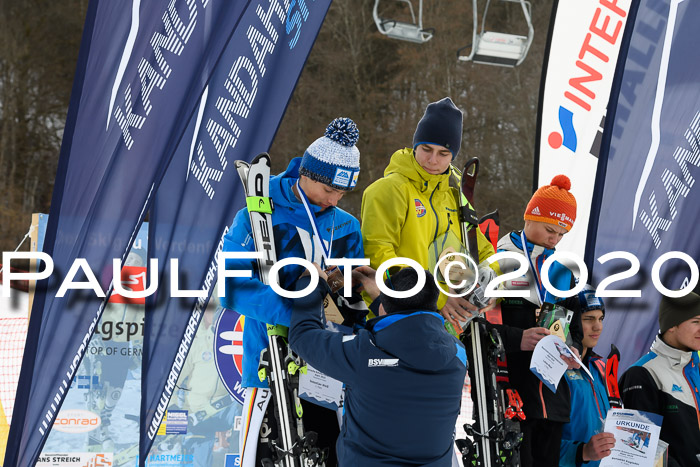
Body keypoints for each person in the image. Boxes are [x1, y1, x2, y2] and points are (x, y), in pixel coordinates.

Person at [221, 117, 366, 467]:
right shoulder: (256, 213)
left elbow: (355, 298)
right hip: (269, 358)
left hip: (326, 363)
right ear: (308, 175)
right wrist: (298, 314)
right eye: (330, 190)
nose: (335, 199)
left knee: (328, 455)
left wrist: (344, 297)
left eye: (343, 192)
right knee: (270, 456)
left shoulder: (346, 226)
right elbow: (234, 286)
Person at [289, 266, 467, 466]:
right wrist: (382, 301)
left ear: (384, 308)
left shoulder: (362, 353)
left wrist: (311, 282)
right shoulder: (458, 354)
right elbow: (412, 335)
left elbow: (302, 336)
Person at [361, 97, 498, 328]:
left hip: (445, 326)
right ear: (415, 145)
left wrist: (490, 282)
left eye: (443, 153)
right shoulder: (389, 189)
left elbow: (482, 251)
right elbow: (378, 254)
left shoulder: (455, 196)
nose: (432, 160)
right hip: (397, 317)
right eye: (426, 149)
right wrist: (435, 297)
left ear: (453, 155)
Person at [490, 175, 583, 467]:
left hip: (553, 401)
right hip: (513, 396)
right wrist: (519, 338)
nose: (554, 239)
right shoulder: (500, 261)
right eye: (549, 230)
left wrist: (574, 349)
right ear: (530, 217)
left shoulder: (564, 270)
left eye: (561, 234)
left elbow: (576, 329)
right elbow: (476, 328)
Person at [619, 285, 700, 466]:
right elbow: (640, 448)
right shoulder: (641, 373)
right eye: (696, 322)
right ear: (671, 325)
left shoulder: (695, 367)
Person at [559, 284, 616, 467]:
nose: (597, 326)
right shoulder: (556, 369)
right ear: (571, 321)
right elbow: (539, 443)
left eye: (601, 318)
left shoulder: (601, 368)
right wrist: (581, 452)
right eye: (589, 319)